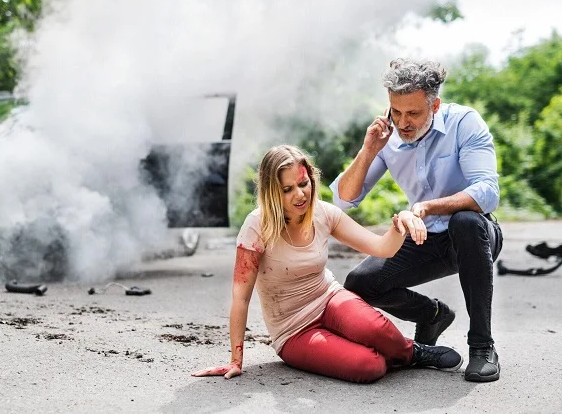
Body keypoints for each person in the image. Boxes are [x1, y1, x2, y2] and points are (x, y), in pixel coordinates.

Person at [192, 145, 462, 383]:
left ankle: (412, 352)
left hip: (329, 298)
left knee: (376, 330)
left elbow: (382, 248)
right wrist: (235, 360)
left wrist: (401, 223)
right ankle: (389, 354)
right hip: (293, 329)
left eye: (303, 184)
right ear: (272, 192)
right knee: (370, 366)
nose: (300, 195)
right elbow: (240, 299)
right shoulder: (256, 226)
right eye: (287, 190)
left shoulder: (323, 213)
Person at [331, 58, 503, 383]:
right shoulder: (389, 137)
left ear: (434, 105)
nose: (403, 123)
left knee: (466, 222)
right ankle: (433, 315)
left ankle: (483, 347)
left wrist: (426, 207)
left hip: (472, 236)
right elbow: (344, 199)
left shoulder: (464, 122)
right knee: (360, 284)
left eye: (413, 113)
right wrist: (369, 150)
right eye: (396, 112)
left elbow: (486, 193)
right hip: (423, 238)